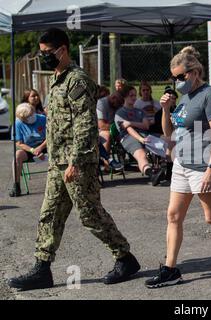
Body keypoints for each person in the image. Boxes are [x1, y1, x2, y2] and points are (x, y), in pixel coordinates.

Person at [8, 28, 140, 291]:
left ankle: (125, 258)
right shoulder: (57, 80)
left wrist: (76, 161)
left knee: (90, 214)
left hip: (76, 163)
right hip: (58, 162)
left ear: (63, 50)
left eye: (47, 53)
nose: (44, 57)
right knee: (49, 214)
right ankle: (42, 268)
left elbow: (84, 125)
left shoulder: (76, 81)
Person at [144, 46, 211, 288]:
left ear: (194, 72)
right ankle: (171, 269)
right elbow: (169, 133)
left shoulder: (209, 94)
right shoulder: (184, 98)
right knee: (173, 215)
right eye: (174, 77)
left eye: (181, 76)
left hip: (203, 165)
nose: (177, 81)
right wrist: (165, 109)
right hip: (182, 164)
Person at [9, 103, 47, 197]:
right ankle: (16, 185)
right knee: (17, 156)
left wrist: (40, 148)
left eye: (31, 114)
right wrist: (33, 150)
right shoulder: (17, 123)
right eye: (27, 117)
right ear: (22, 119)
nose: (31, 117)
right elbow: (19, 143)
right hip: (30, 149)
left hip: (45, 146)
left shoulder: (42, 119)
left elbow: (51, 136)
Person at [114, 85, 154, 177]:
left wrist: (130, 122)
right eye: (131, 95)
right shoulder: (120, 113)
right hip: (128, 138)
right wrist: (140, 139)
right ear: (124, 97)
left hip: (144, 135)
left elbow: (146, 125)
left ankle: (170, 170)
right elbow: (128, 129)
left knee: (166, 142)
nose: (134, 98)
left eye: (135, 95)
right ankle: (151, 173)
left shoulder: (140, 111)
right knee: (141, 154)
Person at [97, 91, 125, 171]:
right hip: (101, 130)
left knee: (128, 133)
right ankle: (107, 165)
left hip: (115, 128)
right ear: (113, 98)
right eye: (118, 103)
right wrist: (116, 128)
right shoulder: (101, 103)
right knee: (107, 135)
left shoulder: (118, 104)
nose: (119, 106)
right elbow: (101, 125)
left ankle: (127, 160)